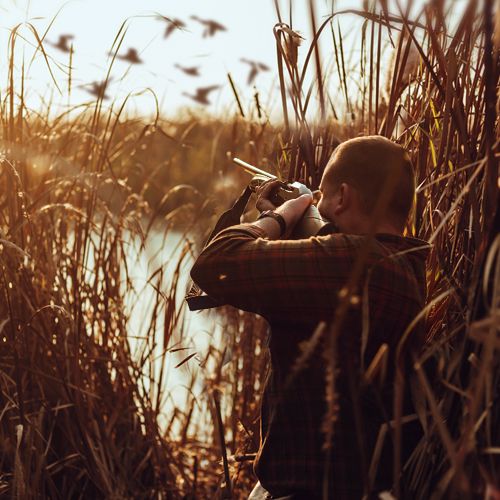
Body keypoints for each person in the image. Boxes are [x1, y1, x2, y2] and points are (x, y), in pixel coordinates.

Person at [190, 135, 430, 499]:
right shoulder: (407, 267)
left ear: (343, 196)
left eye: (321, 197)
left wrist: (281, 216)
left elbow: (215, 263)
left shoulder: (352, 261)